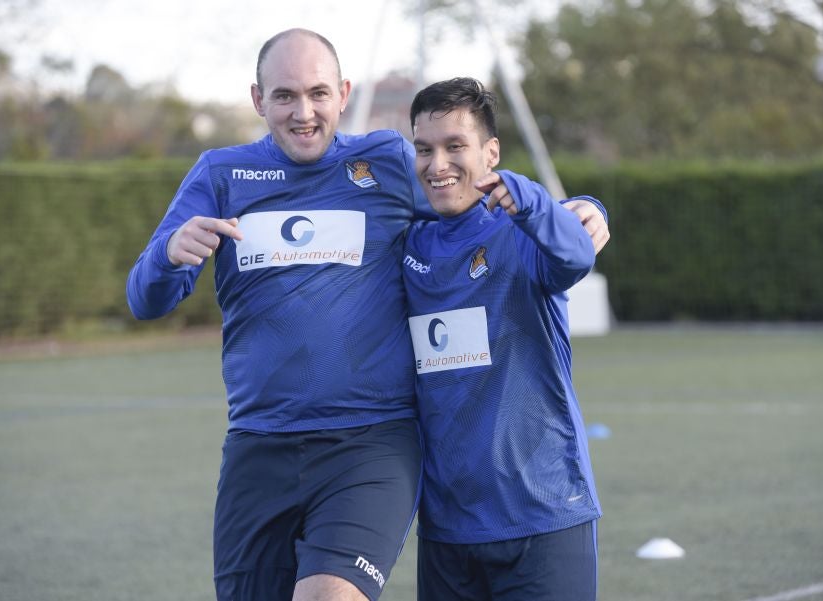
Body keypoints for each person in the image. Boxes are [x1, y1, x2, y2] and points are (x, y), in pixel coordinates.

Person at [127, 29, 609, 601]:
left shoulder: (382, 162)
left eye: (317, 93)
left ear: (343, 93)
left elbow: (463, 178)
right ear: (258, 100)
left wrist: (586, 208)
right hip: (259, 443)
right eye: (284, 96)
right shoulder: (219, 175)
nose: (303, 112)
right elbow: (145, 298)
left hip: (370, 443)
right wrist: (166, 255)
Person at [403, 77, 604, 601]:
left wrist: (558, 206)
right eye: (424, 149)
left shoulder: (523, 231)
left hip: (543, 514)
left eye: (455, 147)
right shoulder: (406, 242)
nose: (437, 163)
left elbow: (576, 255)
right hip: (447, 528)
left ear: (491, 152)